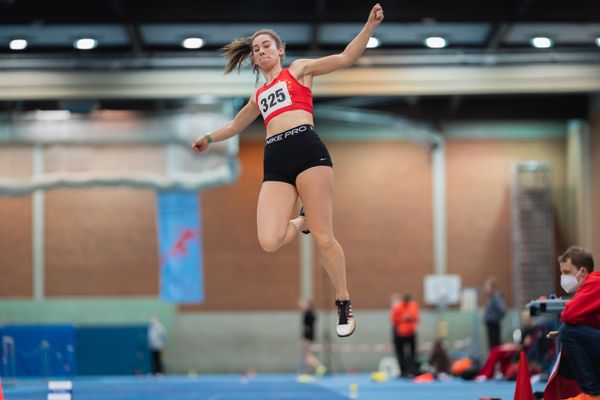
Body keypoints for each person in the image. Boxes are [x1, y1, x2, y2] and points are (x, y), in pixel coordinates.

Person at [192, 4, 384, 337]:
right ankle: (301, 220)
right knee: (269, 239)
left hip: (308, 151)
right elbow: (236, 125)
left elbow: (345, 58)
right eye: (256, 49)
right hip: (276, 159)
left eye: (266, 45)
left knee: (324, 240)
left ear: (279, 50)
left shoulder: (299, 70)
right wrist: (208, 138)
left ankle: (343, 300)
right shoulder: (259, 94)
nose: (261, 51)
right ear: (254, 59)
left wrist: (368, 27)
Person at [556, 246, 600, 400]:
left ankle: (591, 394)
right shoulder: (589, 287)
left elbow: (568, 315)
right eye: (561, 273)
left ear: (582, 271)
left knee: (567, 332)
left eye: (566, 272)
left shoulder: (595, 282)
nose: (563, 277)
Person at [390, 293, 420, 377]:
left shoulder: (413, 306)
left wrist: (409, 317)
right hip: (400, 334)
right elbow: (394, 319)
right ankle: (404, 371)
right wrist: (403, 318)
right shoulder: (398, 307)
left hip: (410, 333)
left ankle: (411, 370)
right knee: (401, 354)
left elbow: (416, 317)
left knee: (412, 354)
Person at [299, 298, 327, 376]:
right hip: (310, 337)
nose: (301, 305)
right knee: (307, 356)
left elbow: (307, 328)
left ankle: (319, 367)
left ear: (308, 305)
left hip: (307, 337)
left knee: (307, 356)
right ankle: (309, 373)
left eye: (303, 303)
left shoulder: (307, 314)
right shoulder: (312, 313)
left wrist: (304, 339)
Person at [483, 276, 507, 351]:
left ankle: (496, 362)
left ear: (492, 287)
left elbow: (503, 310)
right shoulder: (490, 298)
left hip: (494, 325)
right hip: (490, 325)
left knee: (495, 347)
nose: (485, 288)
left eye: (487, 286)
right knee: (492, 347)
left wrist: (495, 318)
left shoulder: (496, 297)